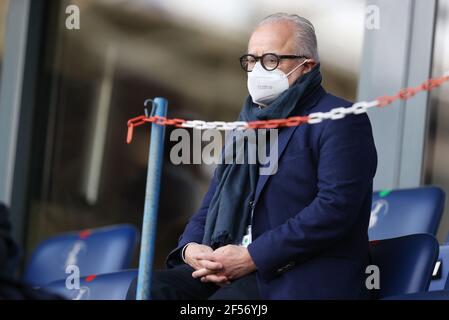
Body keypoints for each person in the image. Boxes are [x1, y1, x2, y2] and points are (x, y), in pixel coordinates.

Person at [127, 12, 377, 300]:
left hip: (298, 276)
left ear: (307, 65)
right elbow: (211, 204)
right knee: (147, 290)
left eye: (270, 60)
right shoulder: (246, 126)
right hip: (229, 271)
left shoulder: (340, 119)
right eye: (251, 60)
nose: (258, 70)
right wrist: (192, 248)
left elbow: (335, 209)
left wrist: (252, 256)